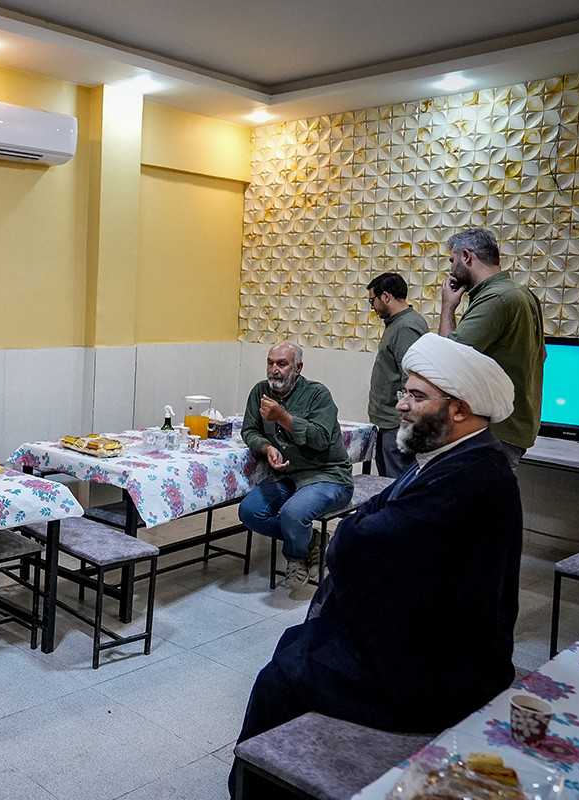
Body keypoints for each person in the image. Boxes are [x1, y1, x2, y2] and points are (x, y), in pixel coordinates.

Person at [230, 334, 521, 798]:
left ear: (459, 410)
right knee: (293, 644)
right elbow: (377, 515)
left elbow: (358, 542)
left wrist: (350, 533)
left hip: (434, 666)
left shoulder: (473, 477)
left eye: (416, 396)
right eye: (405, 393)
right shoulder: (452, 457)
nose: (401, 405)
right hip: (415, 630)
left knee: (281, 678)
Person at [237, 342, 353, 591]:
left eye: (282, 364)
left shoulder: (317, 394)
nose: (274, 370)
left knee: (293, 513)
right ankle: (312, 540)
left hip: (326, 475)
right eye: (270, 363)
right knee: (249, 512)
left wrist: (281, 416)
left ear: (298, 368)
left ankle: (295, 557)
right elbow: (250, 430)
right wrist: (267, 448)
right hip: (287, 476)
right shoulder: (260, 392)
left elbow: (320, 439)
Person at [439, 226, 545, 469]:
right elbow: (542, 355)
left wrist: (447, 307)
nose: (451, 270)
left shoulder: (496, 298)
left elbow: (445, 361)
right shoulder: (524, 294)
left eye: (452, 261)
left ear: (467, 257)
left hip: (492, 430)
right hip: (515, 427)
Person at [366, 272, 428, 477]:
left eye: (372, 300)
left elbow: (412, 379)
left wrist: (405, 420)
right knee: (387, 481)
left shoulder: (405, 327)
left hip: (397, 424)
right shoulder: (397, 323)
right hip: (390, 423)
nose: (372, 307)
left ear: (385, 296)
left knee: (396, 483)